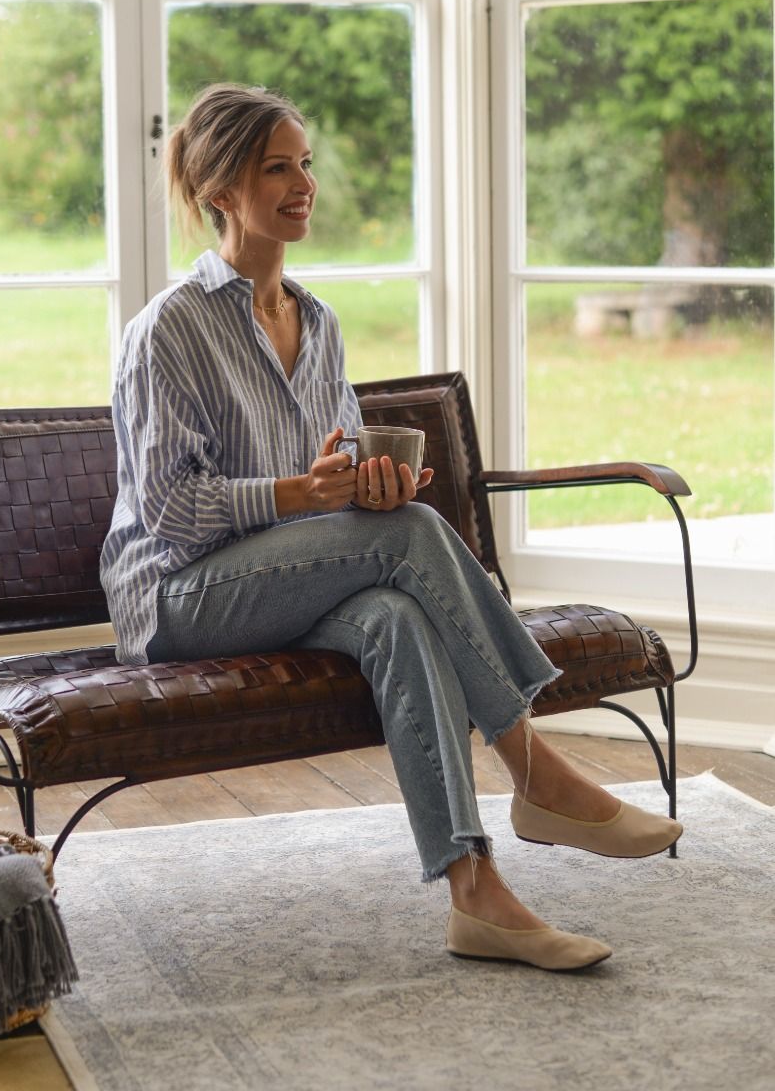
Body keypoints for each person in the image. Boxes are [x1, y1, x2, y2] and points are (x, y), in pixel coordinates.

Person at [100, 83, 681, 972]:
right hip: (180, 598)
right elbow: (171, 517)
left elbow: (323, 468)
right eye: (276, 168)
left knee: (397, 614)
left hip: (286, 576)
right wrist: (306, 496)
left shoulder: (317, 321)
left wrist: (364, 486)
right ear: (220, 190)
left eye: (305, 163)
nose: (303, 184)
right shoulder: (167, 330)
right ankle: (537, 772)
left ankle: (475, 894)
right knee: (407, 535)